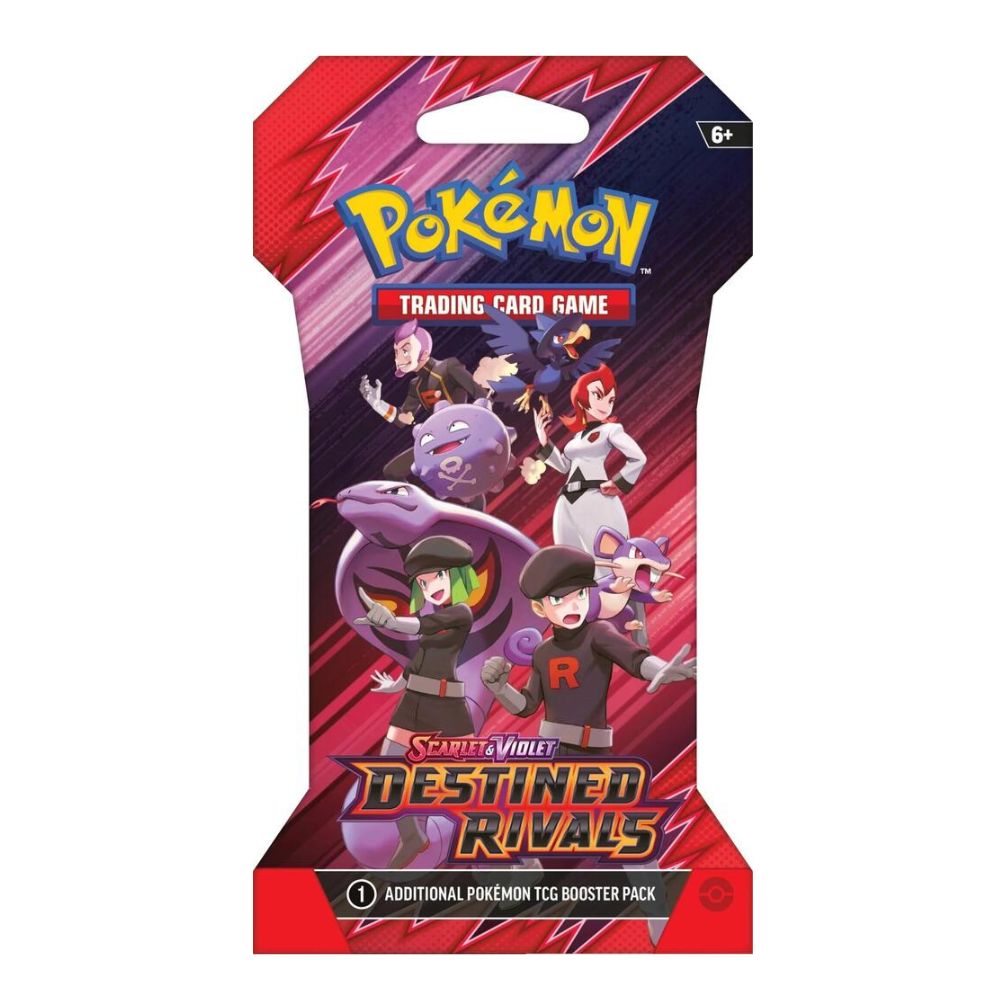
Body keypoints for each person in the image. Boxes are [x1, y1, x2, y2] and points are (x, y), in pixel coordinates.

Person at [354, 535, 479, 868]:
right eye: (423, 583)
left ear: (457, 576)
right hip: (413, 704)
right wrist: (397, 685)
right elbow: (421, 658)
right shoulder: (435, 622)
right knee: (385, 774)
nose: (430, 587)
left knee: (466, 785)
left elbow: (423, 625)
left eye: (437, 577)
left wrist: (391, 621)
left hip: (447, 708)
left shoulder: (460, 613)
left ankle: (504, 852)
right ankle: (412, 836)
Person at [531, 364, 646, 557]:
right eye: (598, 396)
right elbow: (564, 467)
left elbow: (638, 457)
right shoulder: (577, 438)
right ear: (581, 398)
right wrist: (544, 440)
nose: (606, 405)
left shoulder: (611, 430)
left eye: (611, 400)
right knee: (569, 560)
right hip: (566, 501)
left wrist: (619, 482)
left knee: (603, 558)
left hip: (594, 497)